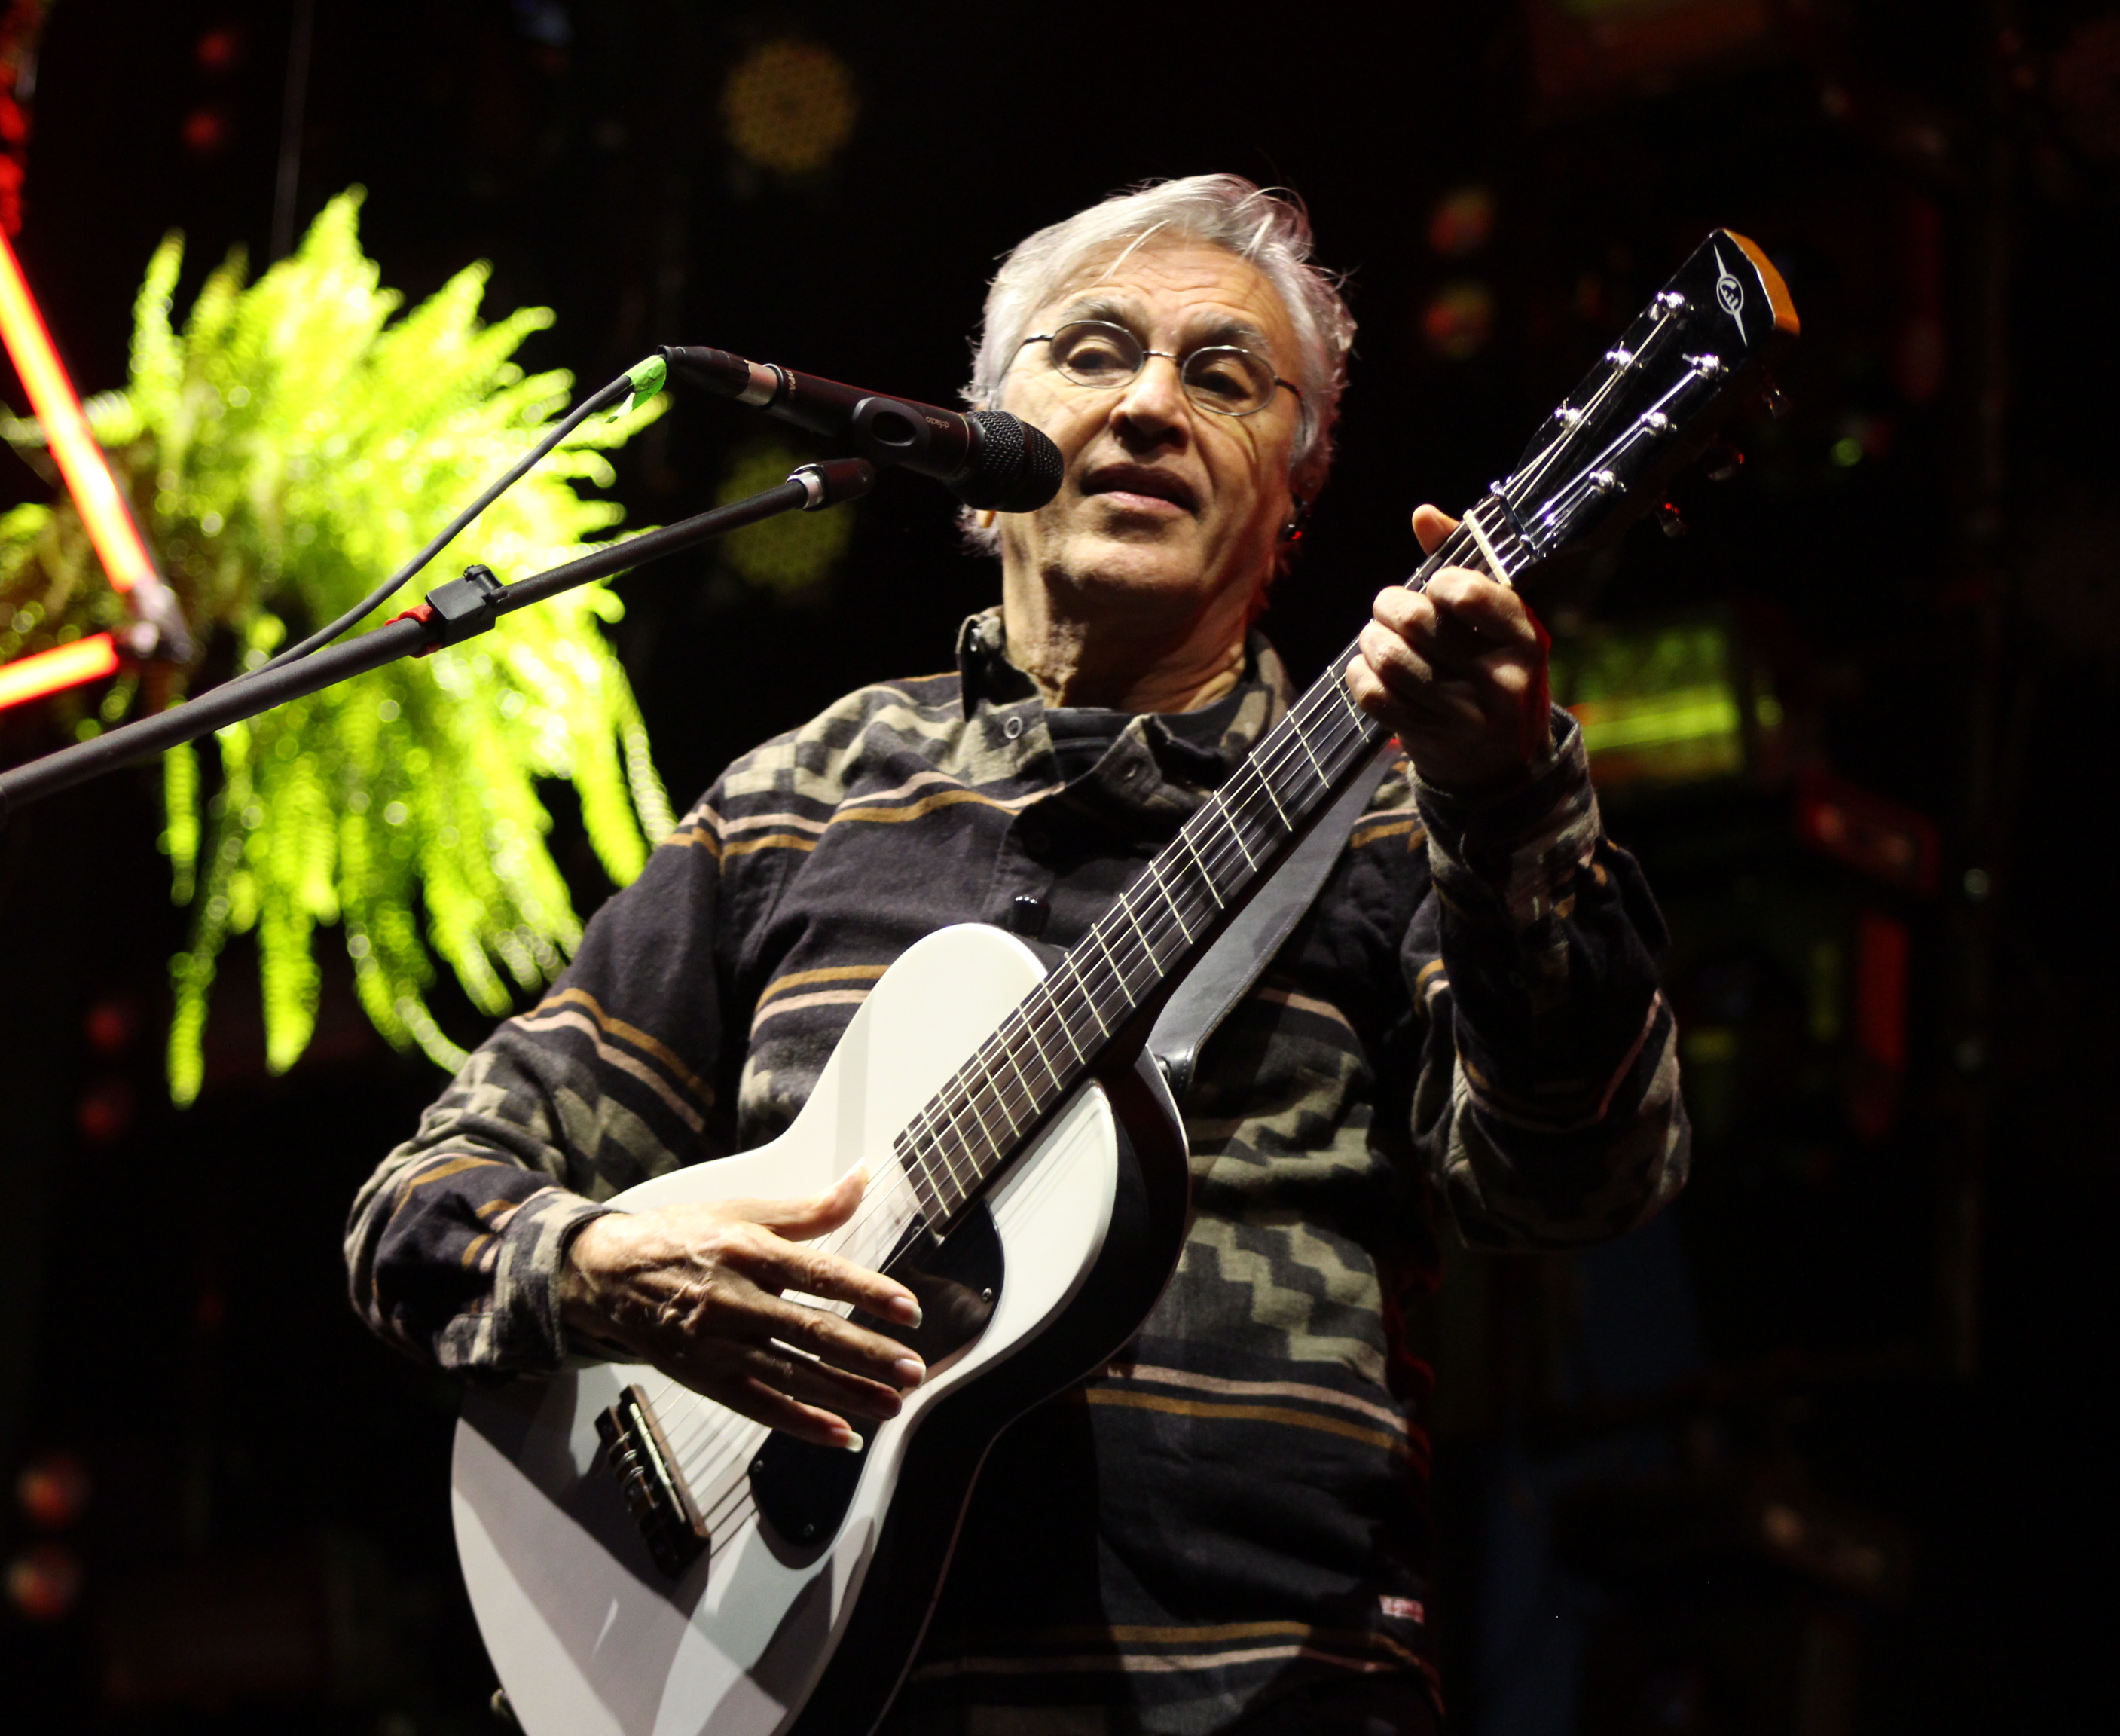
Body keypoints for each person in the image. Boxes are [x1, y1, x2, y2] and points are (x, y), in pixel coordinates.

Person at [347, 175, 1687, 1734]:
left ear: (1292, 498)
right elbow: (421, 1209)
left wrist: (1511, 799)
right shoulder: (806, 794)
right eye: (1093, 351)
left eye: (1225, 377)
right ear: (979, 468)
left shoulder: (1411, 815)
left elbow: (1585, 1182)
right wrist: (603, 1270)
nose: (1148, 406)